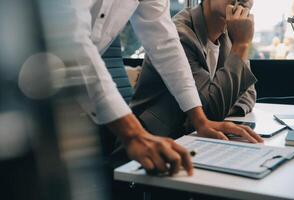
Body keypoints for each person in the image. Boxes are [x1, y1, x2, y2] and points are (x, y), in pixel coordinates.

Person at [44, 0, 262, 177]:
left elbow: (164, 41)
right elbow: (71, 42)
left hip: (66, 89)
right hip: (32, 77)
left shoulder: (225, 37)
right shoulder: (186, 30)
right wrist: (133, 135)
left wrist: (200, 119)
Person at [131, 0, 263, 142]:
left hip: (189, 139)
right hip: (150, 144)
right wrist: (241, 44)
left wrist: (220, 101)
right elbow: (209, 113)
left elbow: (248, 96)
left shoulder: (230, 34)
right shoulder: (180, 34)